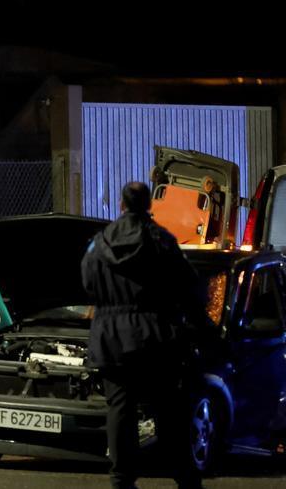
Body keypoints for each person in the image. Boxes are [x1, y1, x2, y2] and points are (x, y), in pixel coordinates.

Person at [81, 182, 206, 489]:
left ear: (121, 205)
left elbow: (87, 283)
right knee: (169, 410)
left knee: (120, 409)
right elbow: (189, 286)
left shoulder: (99, 244)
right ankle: (184, 476)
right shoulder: (162, 240)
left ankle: (122, 480)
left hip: (111, 337)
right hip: (156, 337)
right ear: (149, 204)